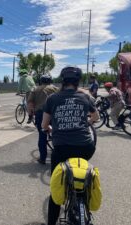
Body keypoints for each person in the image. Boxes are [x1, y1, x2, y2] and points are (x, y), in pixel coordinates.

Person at [41, 66, 99, 225]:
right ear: (78, 81)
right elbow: (96, 117)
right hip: (86, 147)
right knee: (82, 169)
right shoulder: (85, 97)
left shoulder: (52, 99)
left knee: (55, 189)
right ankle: (84, 199)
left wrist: (51, 128)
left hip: (62, 149)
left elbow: (44, 125)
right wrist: (85, 122)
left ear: (62, 81)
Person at [27, 74, 58, 164]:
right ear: (50, 81)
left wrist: (30, 114)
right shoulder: (55, 89)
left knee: (42, 135)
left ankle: (42, 158)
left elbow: (30, 104)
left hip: (41, 114)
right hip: (54, 113)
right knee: (58, 133)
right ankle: (60, 155)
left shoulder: (35, 89)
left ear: (41, 81)